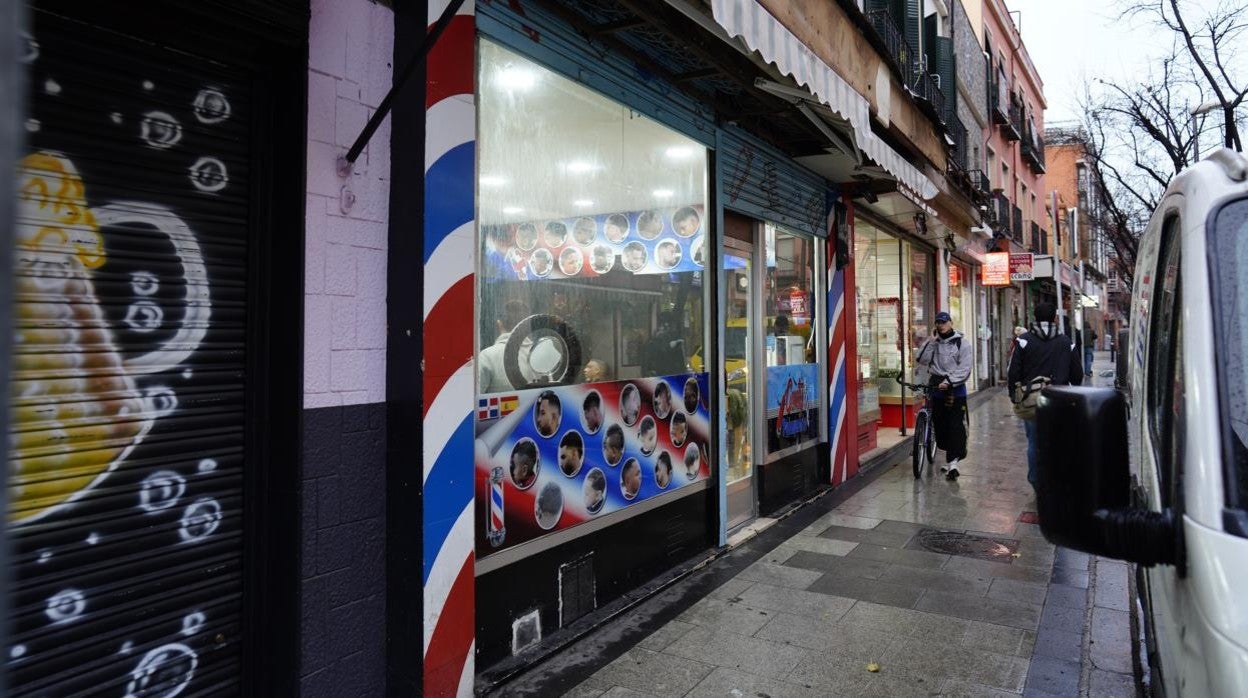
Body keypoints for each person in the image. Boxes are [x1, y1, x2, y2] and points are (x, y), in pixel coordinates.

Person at [1008, 301, 1085, 489]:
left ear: (1035, 317)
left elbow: (1013, 372)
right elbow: (1077, 376)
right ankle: (1055, 478)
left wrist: (1014, 395)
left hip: (1031, 400)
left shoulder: (1024, 341)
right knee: (1058, 441)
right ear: (1054, 318)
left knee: (1034, 442)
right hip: (1060, 400)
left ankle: (1036, 481)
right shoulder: (1066, 342)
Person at [914, 311, 974, 480]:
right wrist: (931, 342)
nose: (941, 325)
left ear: (951, 323)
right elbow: (921, 359)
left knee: (956, 425)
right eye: (938, 322)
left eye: (944, 322)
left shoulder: (962, 343)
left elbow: (965, 368)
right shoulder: (934, 342)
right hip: (936, 387)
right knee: (940, 424)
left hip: (955, 390)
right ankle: (949, 457)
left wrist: (949, 381)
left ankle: (954, 462)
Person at [478, 300, 532, 393]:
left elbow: (471, 401)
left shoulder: (487, 357)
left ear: (499, 324)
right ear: (528, 326)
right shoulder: (545, 354)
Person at [642, 312, 687, 377]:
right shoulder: (655, 342)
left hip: (670, 376)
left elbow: (681, 364)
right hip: (662, 376)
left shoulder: (674, 340)